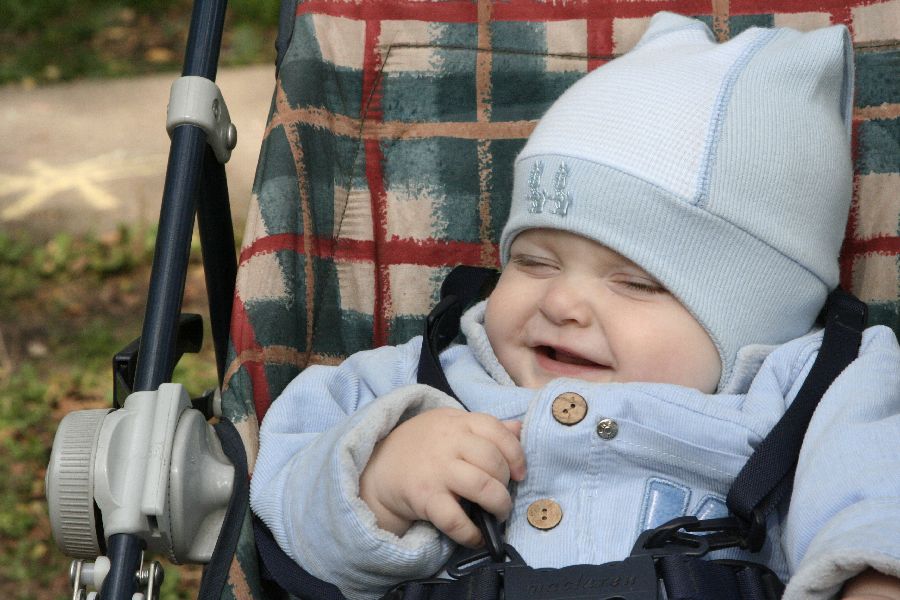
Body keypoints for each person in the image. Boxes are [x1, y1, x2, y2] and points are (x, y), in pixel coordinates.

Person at [250, 12, 900, 600]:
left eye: (636, 283)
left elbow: (874, 492)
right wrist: (379, 481)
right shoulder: (421, 382)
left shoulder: (809, 392)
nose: (561, 301)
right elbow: (280, 501)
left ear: (755, 322)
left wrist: (873, 576)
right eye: (534, 261)